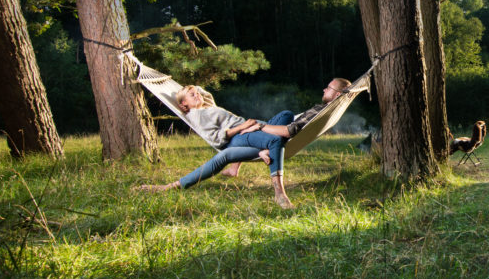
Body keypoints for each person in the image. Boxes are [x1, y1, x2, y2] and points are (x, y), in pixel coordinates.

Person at [136, 78, 352, 209]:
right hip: (240, 135)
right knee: (276, 139)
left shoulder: (205, 108)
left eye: (196, 93)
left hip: (249, 129)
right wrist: (244, 127)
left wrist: (195, 93)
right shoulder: (197, 116)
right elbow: (217, 138)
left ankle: (262, 151)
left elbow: (205, 94)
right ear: (183, 105)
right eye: (191, 95)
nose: (197, 94)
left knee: (286, 114)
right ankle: (279, 193)